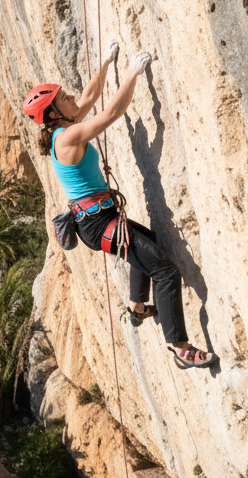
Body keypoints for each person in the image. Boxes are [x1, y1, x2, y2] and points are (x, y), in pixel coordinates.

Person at [23, 42, 217, 368]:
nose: (72, 98)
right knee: (165, 270)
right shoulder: (67, 137)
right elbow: (111, 113)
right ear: (55, 113)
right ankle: (180, 347)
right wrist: (131, 73)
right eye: (64, 98)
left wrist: (104, 64)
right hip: (98, 224)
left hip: (99, 219)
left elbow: (88, 98)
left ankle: (138, 306)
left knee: (148, 244)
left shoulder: (64, 127)